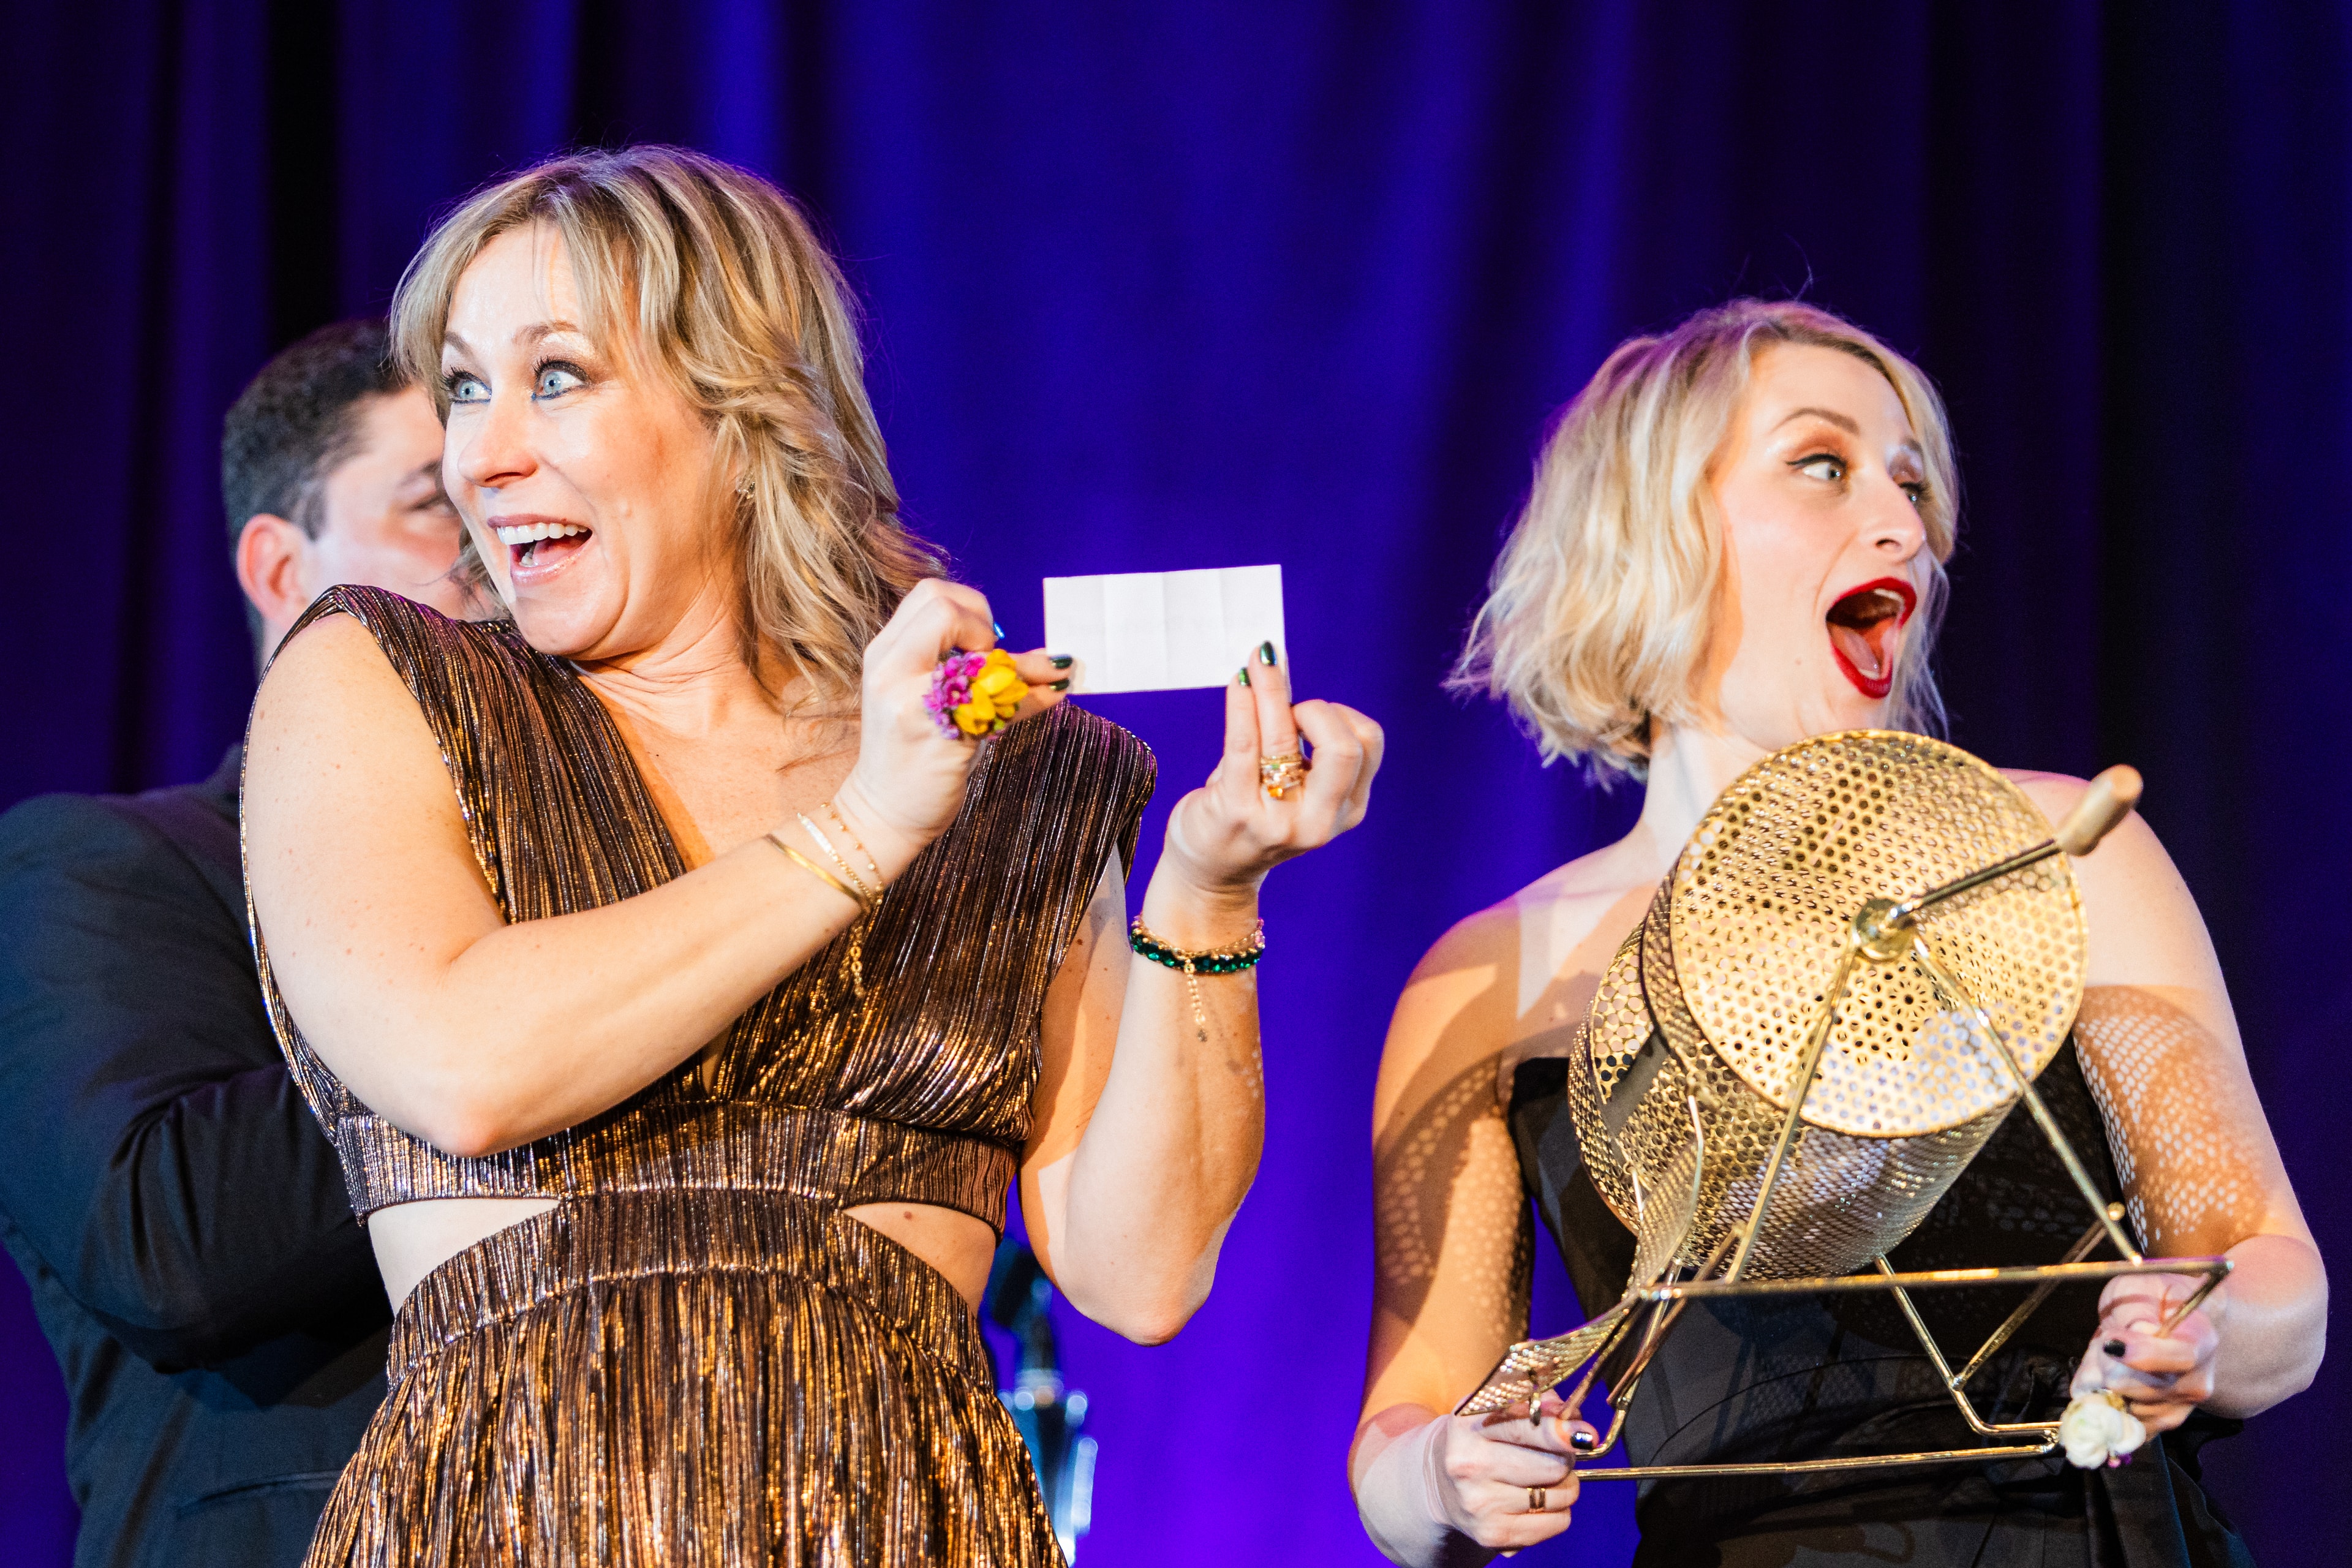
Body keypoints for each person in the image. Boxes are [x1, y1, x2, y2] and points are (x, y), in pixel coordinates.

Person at [240, 144, 1384, 1567]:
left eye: (556, 377)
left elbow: (1138, 1270)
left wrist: (1210, 889)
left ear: (740, 405)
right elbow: (461, 1065)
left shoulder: (1000, 770)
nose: (482, 452)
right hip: (524, 1515)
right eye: (467, 387)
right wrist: (857, 833)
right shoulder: (380, 679)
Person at [1351, 300, 2326, 1566]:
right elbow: (1402, 1435)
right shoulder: (1497, 975)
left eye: (1914, 485)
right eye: (1823, 464)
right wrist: (1445, 1469)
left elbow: (2275, 1284)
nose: (1905, 528)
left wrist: (2200, 1329)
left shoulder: (2051, 847)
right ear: (1658, 528)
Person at [0, 318, 475, 1568]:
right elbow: (165, 1236)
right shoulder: (108, 865)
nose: (496, 546)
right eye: (439, 504)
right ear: (279, 567)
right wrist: (510, 1007)